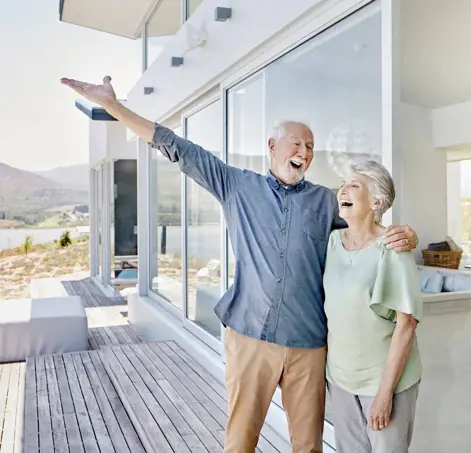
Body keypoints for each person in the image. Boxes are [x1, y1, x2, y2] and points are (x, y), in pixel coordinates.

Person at [61, 76, 419, 453]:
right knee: (240, 443)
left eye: (310, 146)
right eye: (297, 143)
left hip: (309, 346)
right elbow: (175, 146)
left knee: (309, 447)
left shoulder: (326, 202)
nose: (305, 151)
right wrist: (114, 108)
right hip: (251, 337)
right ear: (272, 146)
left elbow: (368, 225)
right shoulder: (237, 185)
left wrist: (404, 233)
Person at [324, 157, 422, 453]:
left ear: (377, 201)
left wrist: (384, 393)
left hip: (384, 382)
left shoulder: (393, 248)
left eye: (354, 185)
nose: (343, 190)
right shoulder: (330, 242)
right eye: (343, 184)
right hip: (340, 380)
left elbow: (406, 326)